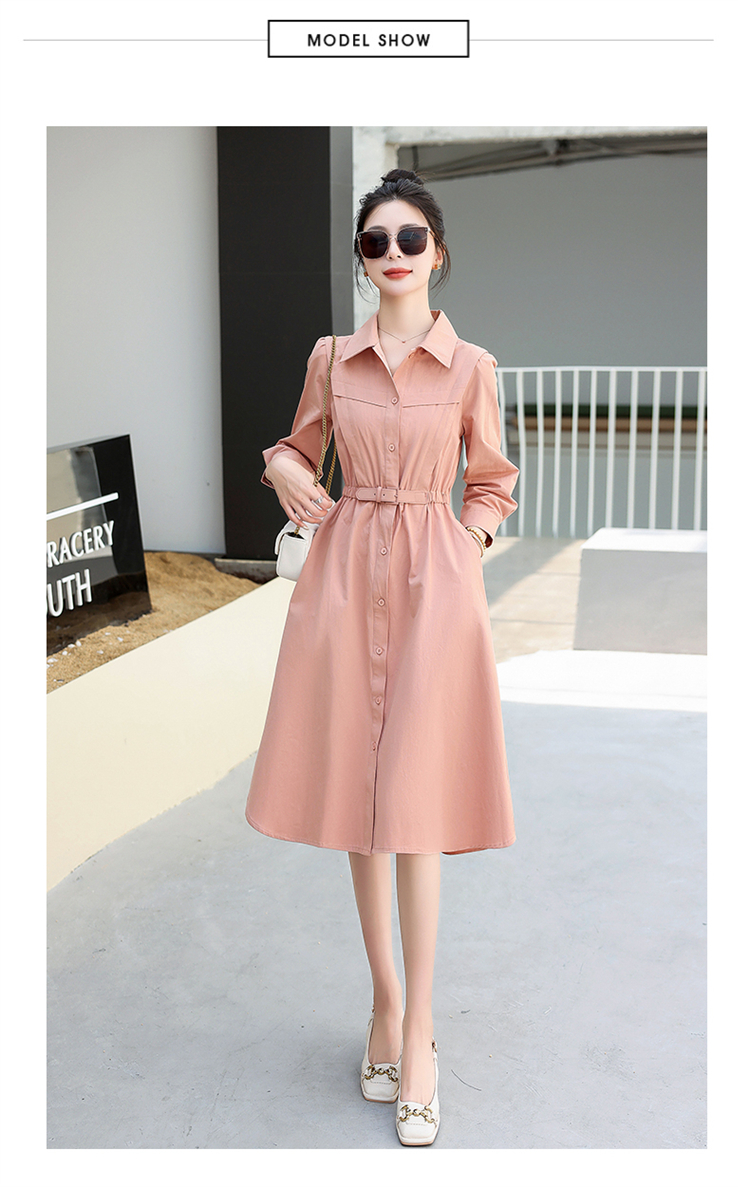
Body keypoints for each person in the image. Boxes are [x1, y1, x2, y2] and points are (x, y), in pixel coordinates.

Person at [245, 169, 519, 1146]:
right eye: (375, 240)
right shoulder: (331, 358)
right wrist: (282, 465)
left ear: (437, 252)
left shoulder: (473, 366)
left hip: (434, 590)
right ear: (361, 260)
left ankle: (423, 1032)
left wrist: (467, 544)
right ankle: (386, 1003)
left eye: (410, 238)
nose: (393, 253)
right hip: (342, 582)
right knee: (362, 804)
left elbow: (491, 481)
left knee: (415, 806)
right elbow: (295, 445)